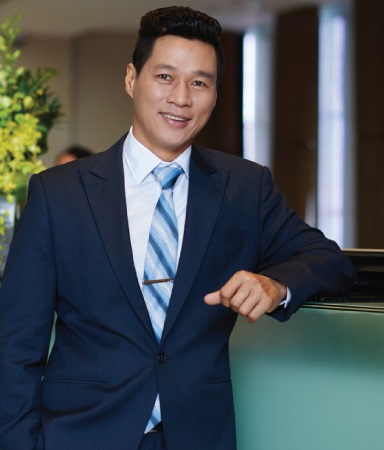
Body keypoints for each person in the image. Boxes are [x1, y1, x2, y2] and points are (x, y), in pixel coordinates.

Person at [0, 6, 354, 450]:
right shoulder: (58, 194)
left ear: (216, 94)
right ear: (132, 79)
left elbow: (329, 260)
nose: (181, 98)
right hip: (80, 436)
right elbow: (15, 348)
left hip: (199, 436)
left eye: (199, 82)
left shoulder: (244, 187)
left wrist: (274, 284)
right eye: (165, 77)